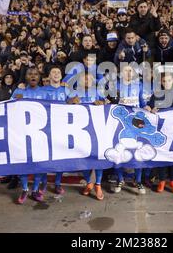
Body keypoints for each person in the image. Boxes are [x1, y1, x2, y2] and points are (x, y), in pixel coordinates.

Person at [67, 72, 108, 201]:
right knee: (82, 159)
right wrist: (70, 102)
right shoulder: (74, 92)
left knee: (98, 159)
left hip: (96, 131)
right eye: (84, 79)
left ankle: (98, 185)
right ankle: (89, 182)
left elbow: (107, 103)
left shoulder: (97, 92)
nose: (86, 81)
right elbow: (62, 106)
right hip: (79, 132)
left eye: (89, 79)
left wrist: (101, 102)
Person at [144, 73, 173, 194]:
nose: (166, 83)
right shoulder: (156, 95)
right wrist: (150, 109)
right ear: (161, 82)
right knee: (161, 155)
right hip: (161, 132)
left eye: (169, 80)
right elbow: (149, 108)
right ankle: (162, 180)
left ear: (172, 81)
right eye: (164, 81)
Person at [11, 68, 47, 204]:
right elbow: (6, 108)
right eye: (30, 74)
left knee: (39, 162)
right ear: (25, 77)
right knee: (23, 162)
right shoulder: (19, 91)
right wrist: (14, 100)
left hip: (40, 134)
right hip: (22, 133)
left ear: (39, 77)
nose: (33, 76)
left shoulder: (45, 92)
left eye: (36, 74)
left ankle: (36, 189)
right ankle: (25, 188)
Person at [109, 65, 147, 195]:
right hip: (120, 123)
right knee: (119, 150)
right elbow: (111, 102)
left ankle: (138, 180)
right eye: (126, 70)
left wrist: (147, 107)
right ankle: (120, 179)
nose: (129, 73)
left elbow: (142, 102)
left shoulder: (139, 85)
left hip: (136, 123)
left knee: (138, 151)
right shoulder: (116, 85)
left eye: (131, 71)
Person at [40, 66, 68, 195]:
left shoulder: (66, 89)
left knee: (60, 156)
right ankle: (44, 182)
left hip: (62, 128)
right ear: (49, 76)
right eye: (53, 72)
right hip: (46, 128)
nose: (56, 74)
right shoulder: (43, 90)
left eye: (58, 72)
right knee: (44, 156)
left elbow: (76, 103)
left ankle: (57, 183)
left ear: (61, 76)